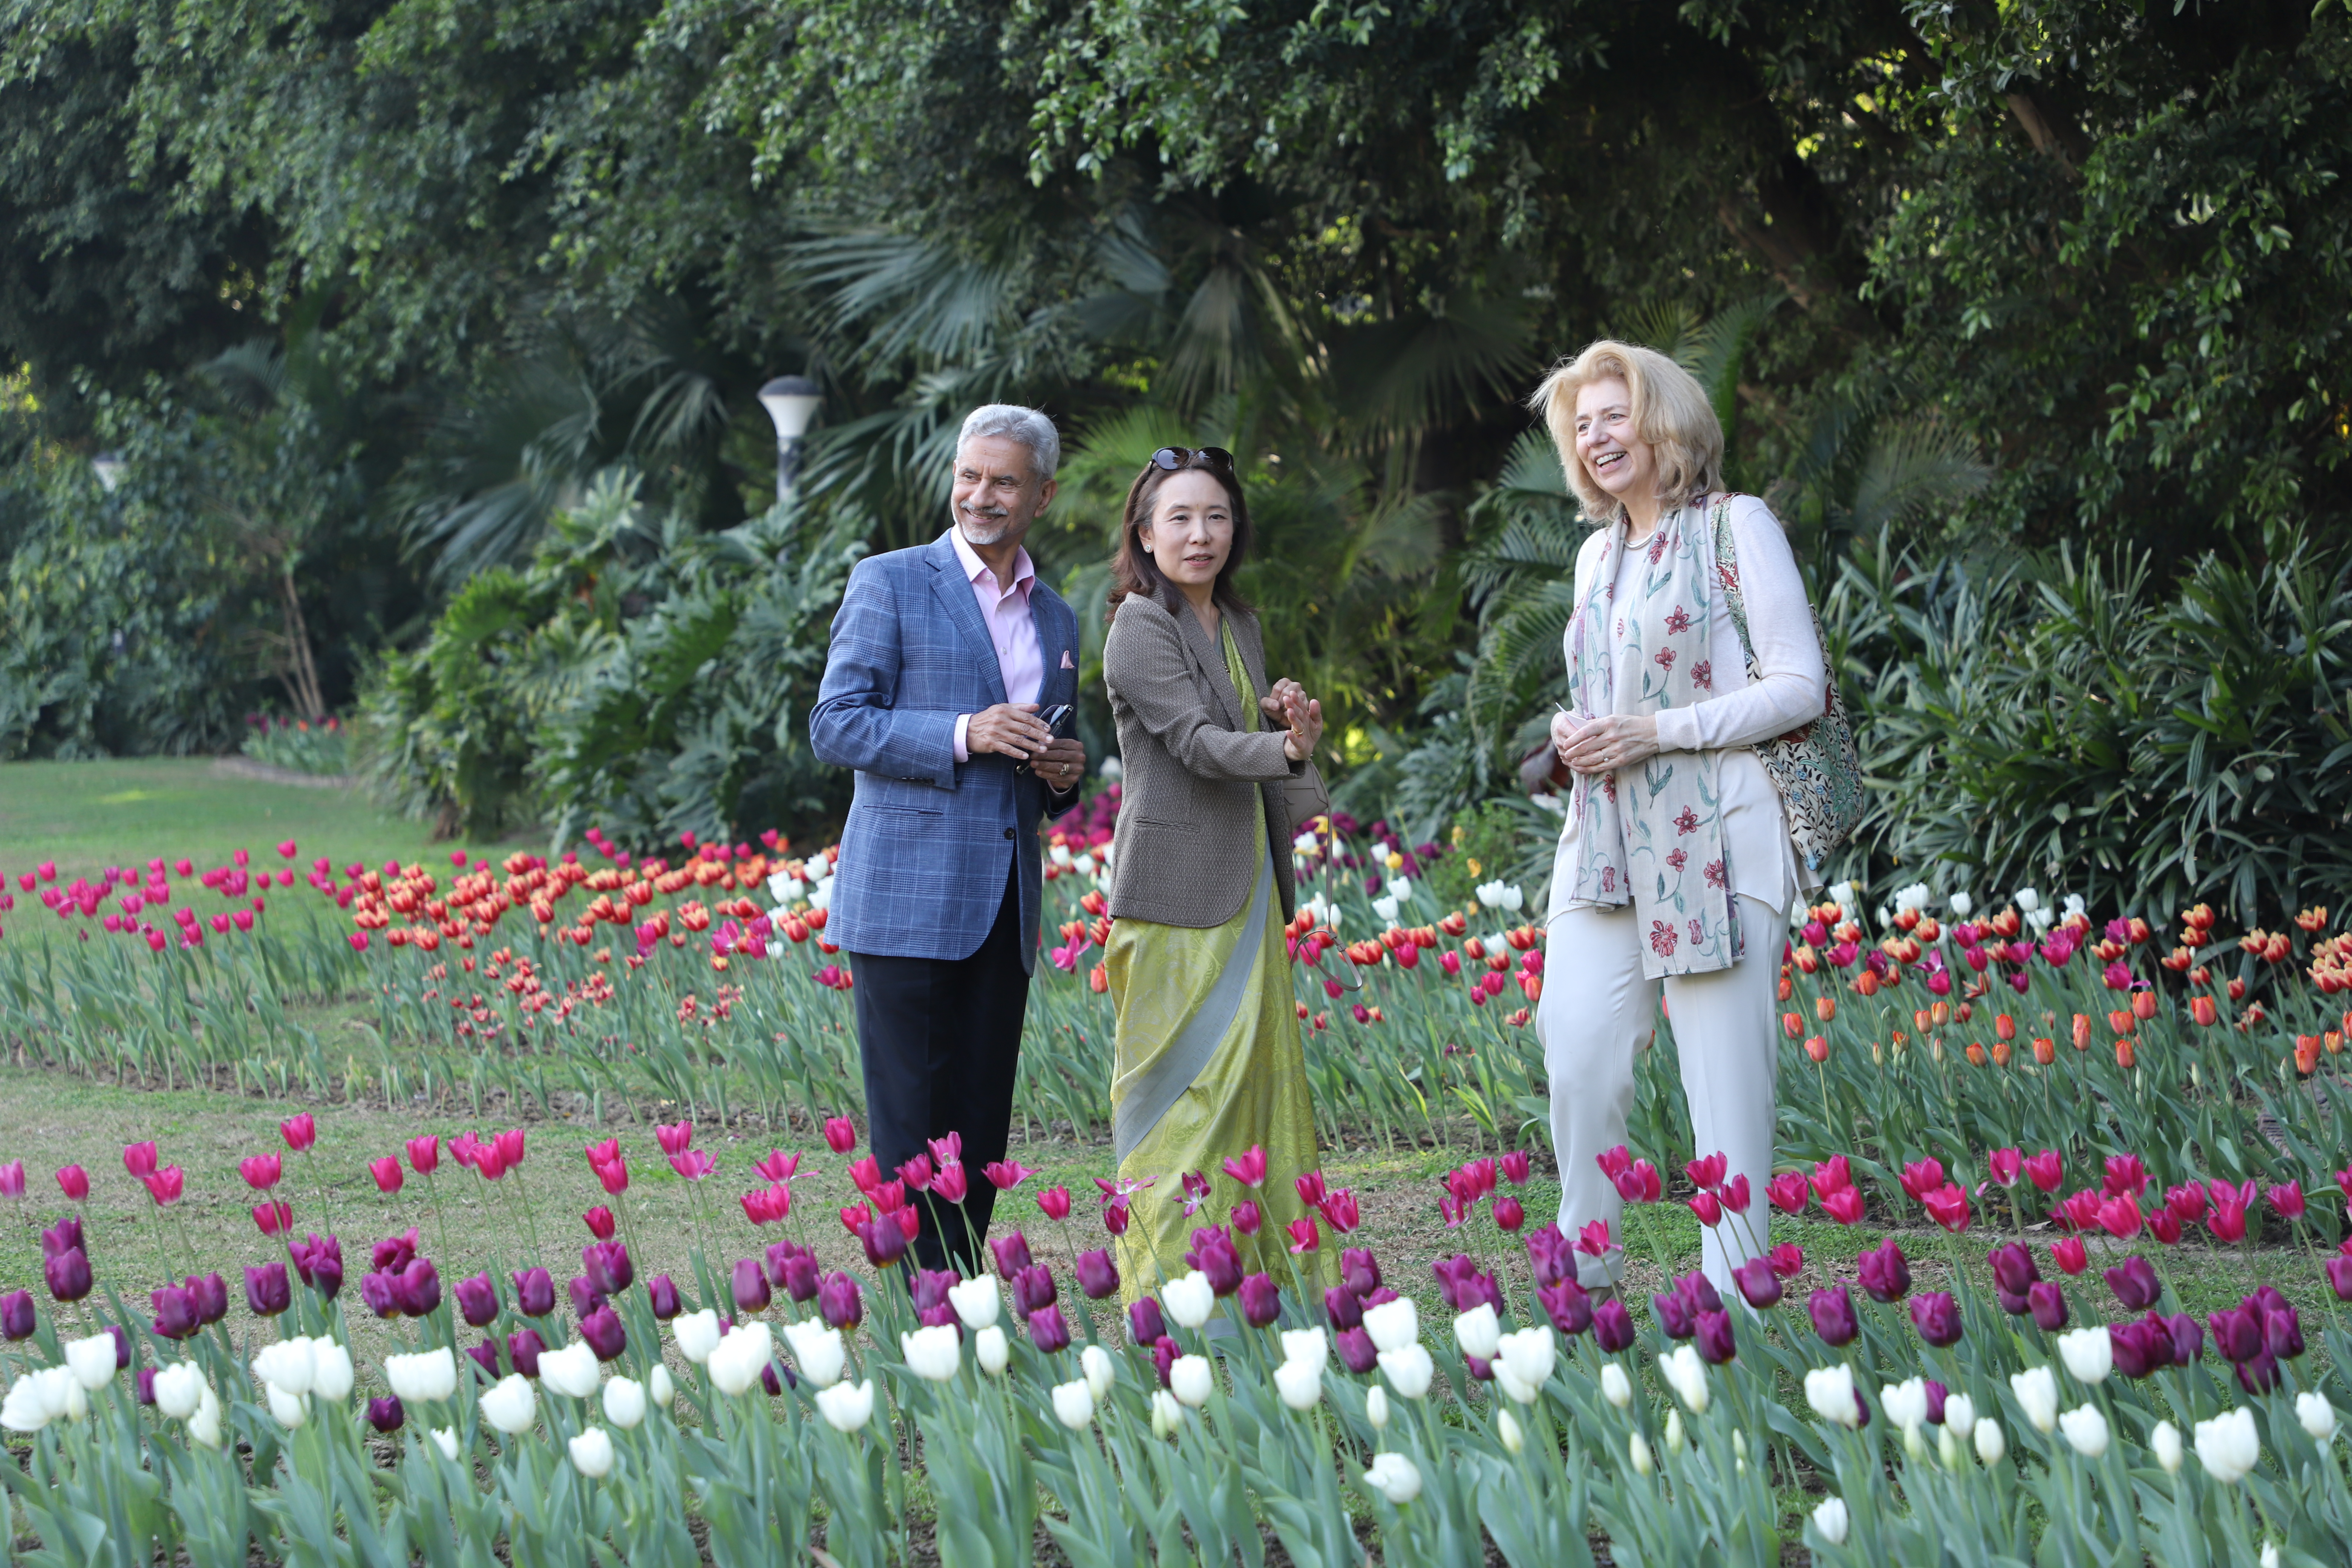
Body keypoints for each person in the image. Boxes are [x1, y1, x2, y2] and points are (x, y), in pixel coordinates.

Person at [1530, 341, 1829, 1294]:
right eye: (1582, 427)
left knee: (1725, 1095)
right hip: (1608, 844)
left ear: (1665, 420)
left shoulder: (1737, 527)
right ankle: (1590, 1276)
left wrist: (1661, 730)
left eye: (1613, 415)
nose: (1597, 437)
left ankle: (1738, 1311)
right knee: (1574, 1047)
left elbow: (1799, 686)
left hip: (1722, 838)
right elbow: (1612, 682)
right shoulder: (1593, 555)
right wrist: (1577, 727)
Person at [809, 404, 1087, 1273]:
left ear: (1042, 494)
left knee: (980, 1126)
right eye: (970, 476)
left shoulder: (1059, 620)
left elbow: (1037, 771)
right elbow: (836, 725)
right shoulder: (889, 580)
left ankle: (962, 1298)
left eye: (1004, 480)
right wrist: (966, 730)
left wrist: (1063, 772)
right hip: (904, 900)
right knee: (910, 1133)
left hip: (1004, 907)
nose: (982, 495)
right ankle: (922, 1318)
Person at [1098, 446, 1337, 1306]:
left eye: (1218, 517)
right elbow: (1197, 746)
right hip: (1173, 895)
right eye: (1181, 518)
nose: (1201, 535)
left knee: (1251, 1092)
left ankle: (1255, 1284)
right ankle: (1163, 1297)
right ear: (1145, 532)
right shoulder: (1139, 625)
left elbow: (1260, 751)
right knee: (1181, 1099)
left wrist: (1289, 728)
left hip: (1249, 890)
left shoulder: (1237, 623)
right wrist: (1282, 747)